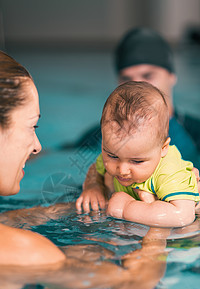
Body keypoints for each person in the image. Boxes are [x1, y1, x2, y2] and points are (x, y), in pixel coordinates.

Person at [60, 27, 200, 168]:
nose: (136, 85)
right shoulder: (99, 135)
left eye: (147, 76)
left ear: (172, 76)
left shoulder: (196, 133)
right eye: (126, 78)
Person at [76, 81, 200, 228]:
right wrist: (93, 186)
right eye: (113, 156)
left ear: (163, 148)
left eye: (136, 161)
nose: (122, 170)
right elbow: (96, 168)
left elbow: (182, 216)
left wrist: (125, 207)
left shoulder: (170, 172)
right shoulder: (117, 155)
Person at [0, 50, 65, 266]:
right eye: (32, 126)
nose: (37, 146)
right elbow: (133, 283)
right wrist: (155, 239)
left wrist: (69, 209)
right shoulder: (35, 254)